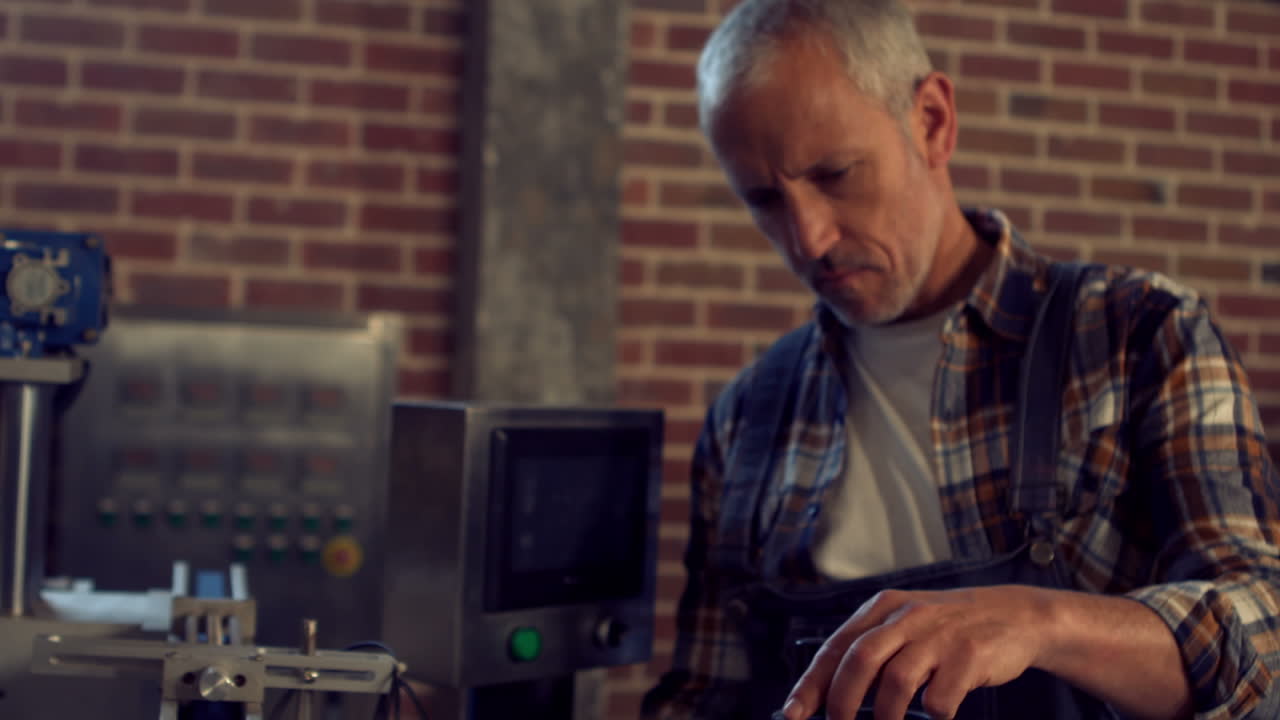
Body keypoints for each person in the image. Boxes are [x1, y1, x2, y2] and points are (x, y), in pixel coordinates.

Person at [639, 1, 1280, 719]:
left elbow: (1266, 640)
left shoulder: (1140, 335)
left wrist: (1043, 623)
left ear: (933, 121)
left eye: (835, 173)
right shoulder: (746, 420)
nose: (808, 239)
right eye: (763, 199)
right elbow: (706, 697)